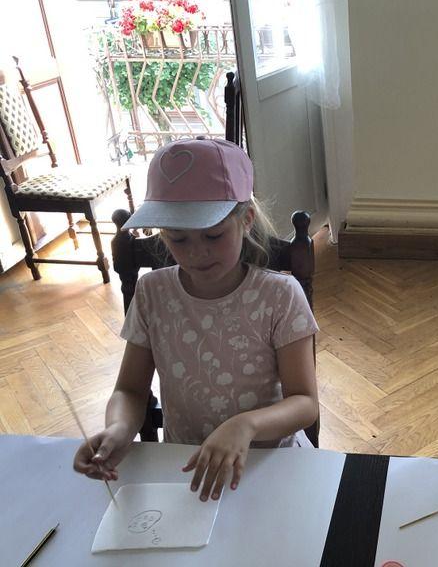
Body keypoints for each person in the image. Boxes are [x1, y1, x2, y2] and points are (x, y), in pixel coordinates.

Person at [73, 138, 319, 501]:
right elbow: (130, 389)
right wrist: (119, 428)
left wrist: (246, 425)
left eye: (213, 235)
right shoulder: (152, 292)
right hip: (184, 467)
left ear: (246, 220)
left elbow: (305, 402)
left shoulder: (280, 296)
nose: (197, 252)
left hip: (268, 465)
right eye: (178, 239)